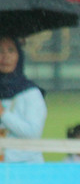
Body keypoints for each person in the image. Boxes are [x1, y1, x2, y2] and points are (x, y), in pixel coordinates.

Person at [0, 35, 46, 164]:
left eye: (11, 50)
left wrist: (3, 113)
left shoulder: (30, 93)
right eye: (0, 51)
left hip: (25, 169)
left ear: (19, 55)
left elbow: (32, 133)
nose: (5, 57)